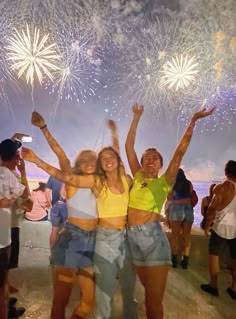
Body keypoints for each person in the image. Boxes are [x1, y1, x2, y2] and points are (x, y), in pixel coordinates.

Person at [22, 115, 137, 319]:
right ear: (78, 164)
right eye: (83, 160)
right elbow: (61, 158)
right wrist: (43, 131)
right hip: (71, 241)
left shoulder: (100, 184)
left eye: (92, 158)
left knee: (88, 303)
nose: (87, 162)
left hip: (93, 242)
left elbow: (118, 165)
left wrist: (114, 134)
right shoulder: (74, 182)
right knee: (61, 301)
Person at [125, 103, 215, 319]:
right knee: (147, 293)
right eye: (146, 156)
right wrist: (136, 117)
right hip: (131, 240)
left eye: (155, 157)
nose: (149, 159)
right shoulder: (137, 176)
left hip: (153, 241)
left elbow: (180, 151)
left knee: (153, 303)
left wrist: (192, 121)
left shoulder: (165, 182)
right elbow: (129, 146)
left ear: (161, 164)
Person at [0, 138, 32, 319]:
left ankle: (6, 299)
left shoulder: (9, 174)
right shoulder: (10, 175)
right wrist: (24, 171)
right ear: (15, 156)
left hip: (9, 228)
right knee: (3, 274)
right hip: (8, 230)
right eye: (18, 153)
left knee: (4, 273)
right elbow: (27, 197)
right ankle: (5, 306)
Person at [201, 160, 236, 299]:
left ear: (226, 172)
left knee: (213, 256)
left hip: (220, 228)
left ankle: (213, 285)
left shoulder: (222, 188)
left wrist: (206, 225)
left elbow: (212, 209)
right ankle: (234, 288)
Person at [166, 168, 195, 269]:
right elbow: (191, 195)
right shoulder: (189, 183)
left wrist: (167, 214)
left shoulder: (172, 184)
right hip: (188, 208)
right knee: (186, 236)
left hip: (176, 208)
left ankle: (174, 261)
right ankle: (185, 261)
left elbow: (169, 199)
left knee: (175, 236)